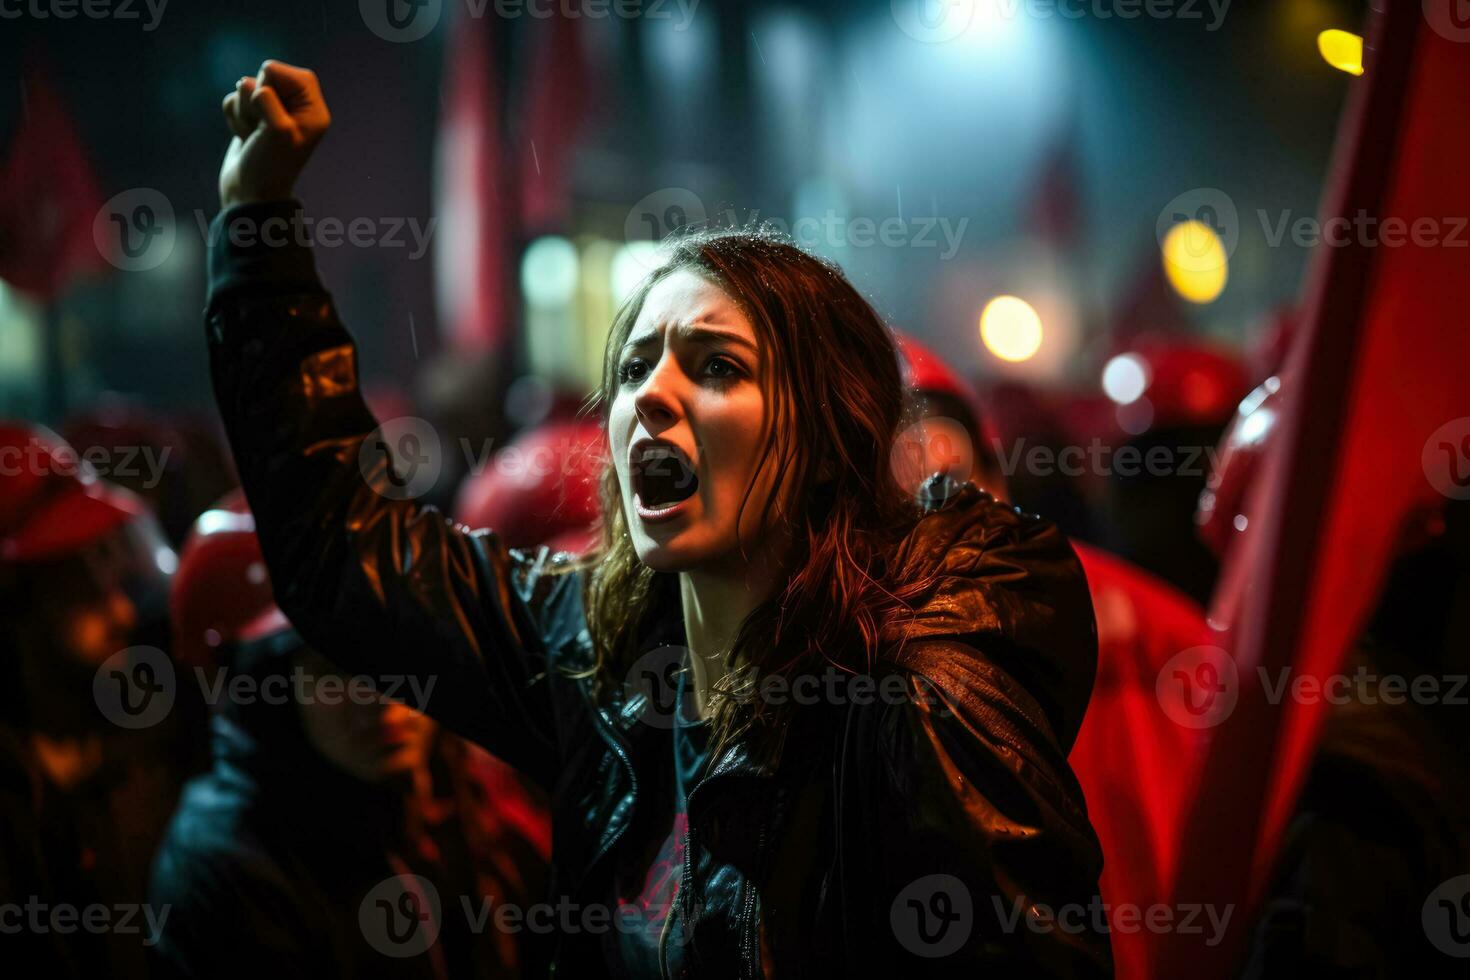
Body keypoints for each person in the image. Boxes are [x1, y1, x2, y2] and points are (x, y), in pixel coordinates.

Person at [204, 61, 1110, 977]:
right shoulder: (600, 654)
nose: (653, 396)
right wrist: (257, 225)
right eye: (635, 369)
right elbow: (343, 553)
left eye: (716, 367)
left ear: (832, 437)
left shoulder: (919, 701)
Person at [149, 496, 551, 979]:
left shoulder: (465, 794)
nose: (380, 696)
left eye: (395, 651)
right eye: (332, 670)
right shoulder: (225, 869)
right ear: (263, 695)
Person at [0, 423, 191, 978]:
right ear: (15, 604)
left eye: (110, 571)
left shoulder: (149, 751)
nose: (122, 612)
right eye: (79, 585)